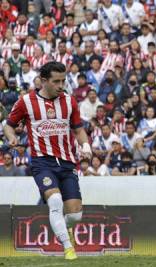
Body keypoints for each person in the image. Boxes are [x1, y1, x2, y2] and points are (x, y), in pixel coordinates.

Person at [3, 62, 92, 260]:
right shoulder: (26, 101)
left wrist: (85, 147)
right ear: (44, 81)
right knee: (54, 200)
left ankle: (64, 229)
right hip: (42, 163)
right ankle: (69, 249)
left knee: (75, 215)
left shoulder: (70, 101)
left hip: (67, 162)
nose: (61, 85)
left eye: (64, 80)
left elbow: (78, 130)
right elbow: (9, 126)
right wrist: (11, 137)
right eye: (56, 81)